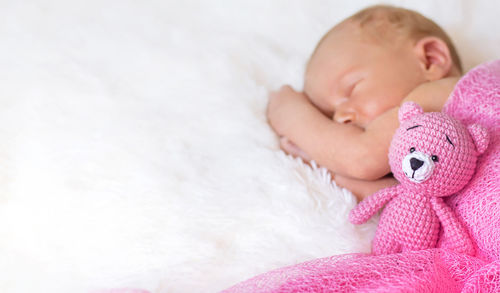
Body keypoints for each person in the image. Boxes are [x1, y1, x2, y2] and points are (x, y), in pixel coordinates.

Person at [266, 5, 463, 199]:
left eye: (351, 89)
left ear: (430, 60)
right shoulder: (436, 170)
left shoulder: (445, 92)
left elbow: (362, 158)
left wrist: (290, 114)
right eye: (328, 116)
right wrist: (323, 164)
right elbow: (398, 199)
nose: (339, 120)